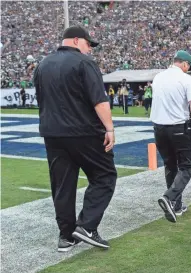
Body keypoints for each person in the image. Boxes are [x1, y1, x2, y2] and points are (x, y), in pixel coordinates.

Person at [33, 25, 116, 251]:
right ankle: (87, 226)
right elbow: (99, 100)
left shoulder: (42, 65)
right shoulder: (84, 63)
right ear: (77, 40)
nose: (89, 49)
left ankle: (65, 236)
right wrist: (109, 128)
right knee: (105, 175)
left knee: (62, 186)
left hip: (52, 134)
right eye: (89, 44)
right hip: (84, 132)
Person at [150, 50, 191, 223]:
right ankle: (170, 198)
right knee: (187, 166)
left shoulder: (158, 77)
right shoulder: (186, 79)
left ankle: (176, 206)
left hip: (159, 128)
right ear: (185, 64)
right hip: (178, 127)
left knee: (170, 165)